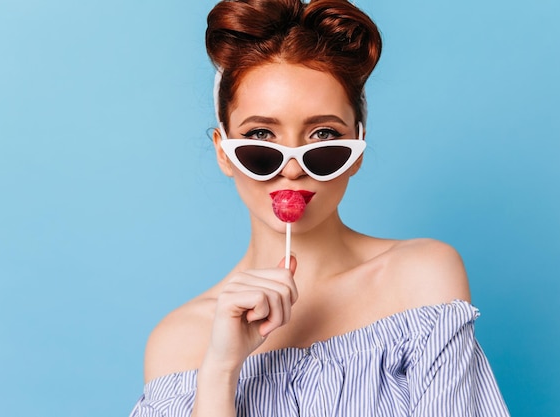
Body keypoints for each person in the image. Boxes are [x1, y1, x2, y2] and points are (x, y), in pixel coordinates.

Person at [129, 0, 510, 416]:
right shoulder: (179, 340)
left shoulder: (418, 276)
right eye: (261, 136)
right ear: (224, 153)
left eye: (324, 135)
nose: (292, 168)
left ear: (357, 150)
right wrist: (220, 370)